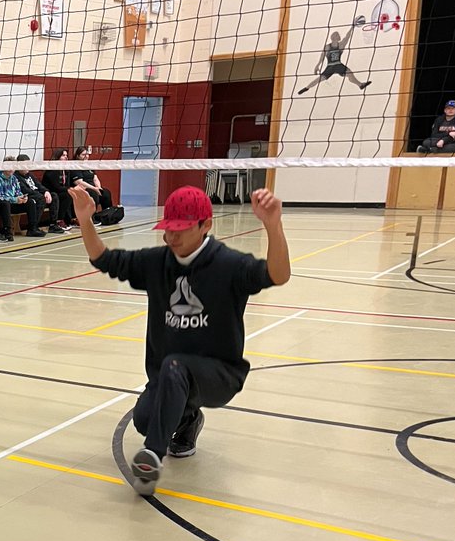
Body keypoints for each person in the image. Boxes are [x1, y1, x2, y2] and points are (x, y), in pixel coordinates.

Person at [68, 183, 290, 496]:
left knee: (174, 368)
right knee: (145, 418)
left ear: (205, 226)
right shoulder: (157, 262)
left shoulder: (229, 265)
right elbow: (104, 259)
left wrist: (273, 225)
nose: (171, 238)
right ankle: (187, 421)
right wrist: (85, 220)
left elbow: (278, 275)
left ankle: (151, 459)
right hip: (171, 376)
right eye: (167, 230)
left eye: (181, 230)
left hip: (219, 375)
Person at [296, 23, 371, 94]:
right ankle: (306, 88)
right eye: (336, 34)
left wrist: (352, 27)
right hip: (331, 66)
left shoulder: (341, 45)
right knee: (319, 79)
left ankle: (360, 85)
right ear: (332, 37)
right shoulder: (328, 46)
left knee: (350, 74)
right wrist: (317, 65)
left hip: (338, 65)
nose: (338, 35)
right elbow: (322, 55)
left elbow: (347, 37)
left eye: (338, 34)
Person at [15, 154, 65, 235]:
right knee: (40, 198)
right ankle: (33, 228)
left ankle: (53, 225)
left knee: (54, 196)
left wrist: (46, 192)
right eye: (25, 165)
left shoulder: (30, 175)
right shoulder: (16, 177)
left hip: (38, 195)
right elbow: (24, 190)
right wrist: (40, 194)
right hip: (28, 197)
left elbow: (39, 185)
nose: (28, 167)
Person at [69, 146, 117, 223]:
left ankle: (108, 215)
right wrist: (94, 188)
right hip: (81, 189)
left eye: (87, 154)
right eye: (83, 154)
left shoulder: (89, 165)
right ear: (77, 156)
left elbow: (95, 178)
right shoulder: (75, 166)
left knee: (106, 193)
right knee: (93, 194)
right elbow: (79, 182)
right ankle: (91, 217)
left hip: (92, 187)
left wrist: (99, 187)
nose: (86, 156)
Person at [0, 161, 28, 241]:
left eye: (13, 167)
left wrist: (22, 197)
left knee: (31, 202)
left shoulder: (14, 178)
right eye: (9, 167)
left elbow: (18, 191)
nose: (11, 169)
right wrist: (15, 199)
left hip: (12, 203)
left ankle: (32, 229)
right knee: (5, 204)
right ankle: (7, 232)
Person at [42, 148, 75, 228]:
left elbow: (66, 185)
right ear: (57, 157)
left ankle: (70, 219)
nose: (66, 157)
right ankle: (59, 220)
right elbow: (56, 187)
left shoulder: (66, 169)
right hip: (50, 193)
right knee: (67, 195)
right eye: (63, 155)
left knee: (71, 194)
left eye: (66, 155)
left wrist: (72, 189)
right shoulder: (52, 170)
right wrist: (70, 189)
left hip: (60, 192)